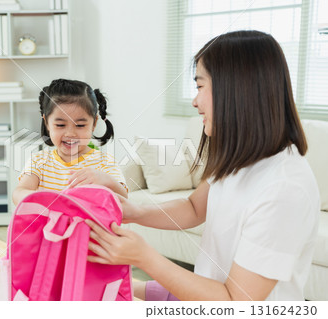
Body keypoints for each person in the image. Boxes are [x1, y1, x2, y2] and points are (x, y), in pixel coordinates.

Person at [85, 30, 320, 301]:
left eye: (199, 86)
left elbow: (236, 302)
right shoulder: (242, 159)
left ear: (236, 89)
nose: (195, 102)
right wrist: (134, 211)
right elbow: (194, 208)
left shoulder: (284, 189)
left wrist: (145, 257)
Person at [12, 79, 128, 206]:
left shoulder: (104, 163)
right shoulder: (38, 161)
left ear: (94, 123)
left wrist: (105, 180)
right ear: (47, 123)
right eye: (60, 125)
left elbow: (123, 199)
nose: (70, 134)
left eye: (80, 125)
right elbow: (18, 193)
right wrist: (42, 199)